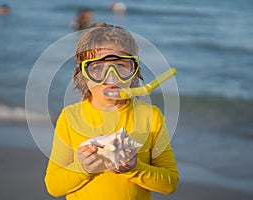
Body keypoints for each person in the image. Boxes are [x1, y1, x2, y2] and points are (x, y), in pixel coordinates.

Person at [45, 22, 179, 200]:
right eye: (98, 68)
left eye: (121, 66)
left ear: (134, 72)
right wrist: (82, 168)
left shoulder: (151, 116)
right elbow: (53, 187)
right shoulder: (70, 117)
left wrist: (135, 168)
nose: (111, 76)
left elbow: (170, 184)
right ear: (83, 75)